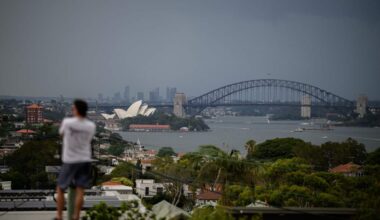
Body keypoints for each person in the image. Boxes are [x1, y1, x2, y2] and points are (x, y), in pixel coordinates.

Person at [56, 99, 96, 220]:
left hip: (70, 160)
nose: (72, 110)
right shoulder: (91, 125)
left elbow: (62, 134)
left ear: (77, 110)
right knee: (80, 189)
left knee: (60, 188)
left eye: (73, 108)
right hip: (85, 160)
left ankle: (59, 216)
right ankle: (76, 216)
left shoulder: (68, 122)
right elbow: (89, 139)